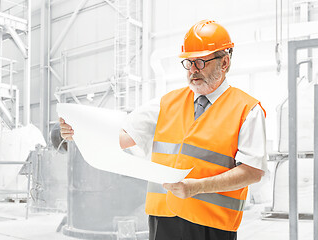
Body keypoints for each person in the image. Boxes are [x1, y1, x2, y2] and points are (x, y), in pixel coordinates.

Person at [60, 20, 267, 240]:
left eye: (200, 62)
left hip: (212, 226)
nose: (193, 70)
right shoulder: (166, 103)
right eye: (188, 63)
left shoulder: (247, 110)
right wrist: (78, 132)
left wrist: (198, 187)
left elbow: (253, 171)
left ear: (224, 62)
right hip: (163, 220)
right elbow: (122, 137)